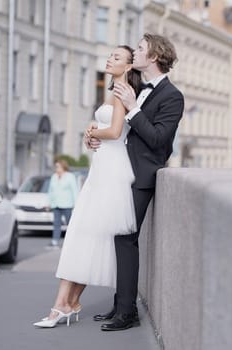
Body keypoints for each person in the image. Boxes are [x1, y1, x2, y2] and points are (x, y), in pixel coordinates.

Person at [33, 45, 142, 328]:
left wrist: (94, 132)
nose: (109, 59)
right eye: (110, 55)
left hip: (113, 170)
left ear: (129, 66)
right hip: (102, 166)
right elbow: (108, 131)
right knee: (86, 235)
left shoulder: (122, 91)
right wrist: (90, 135)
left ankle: (64, 305)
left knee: (88, 233)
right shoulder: (115, 91)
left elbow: (116, 131)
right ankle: (66, 304)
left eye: (116, 57)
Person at [88, 33, 184, 332]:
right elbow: (121, 130)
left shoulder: (172, 96)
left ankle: (127, 312)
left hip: (142, 177)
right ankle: (121, 304)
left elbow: (158, 140)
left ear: (154, 56)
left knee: (126, 239)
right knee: (119, 238)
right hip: (121, 172)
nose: (136, 52)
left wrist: (134, 108)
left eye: (140, 49)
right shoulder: (138, 87)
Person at [46, 159, 78, 248]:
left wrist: (76, 204)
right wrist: (48, 203)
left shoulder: (70, 176)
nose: (56, 168)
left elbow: (74, 190)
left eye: (58, 166)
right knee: (56, 224)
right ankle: (55, 241)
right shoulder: (54, 176)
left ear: (63, 167)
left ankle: (73, 240)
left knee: (70, 224)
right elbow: (50, 191)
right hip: (56, 204)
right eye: (56, 167)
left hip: (67, 204)